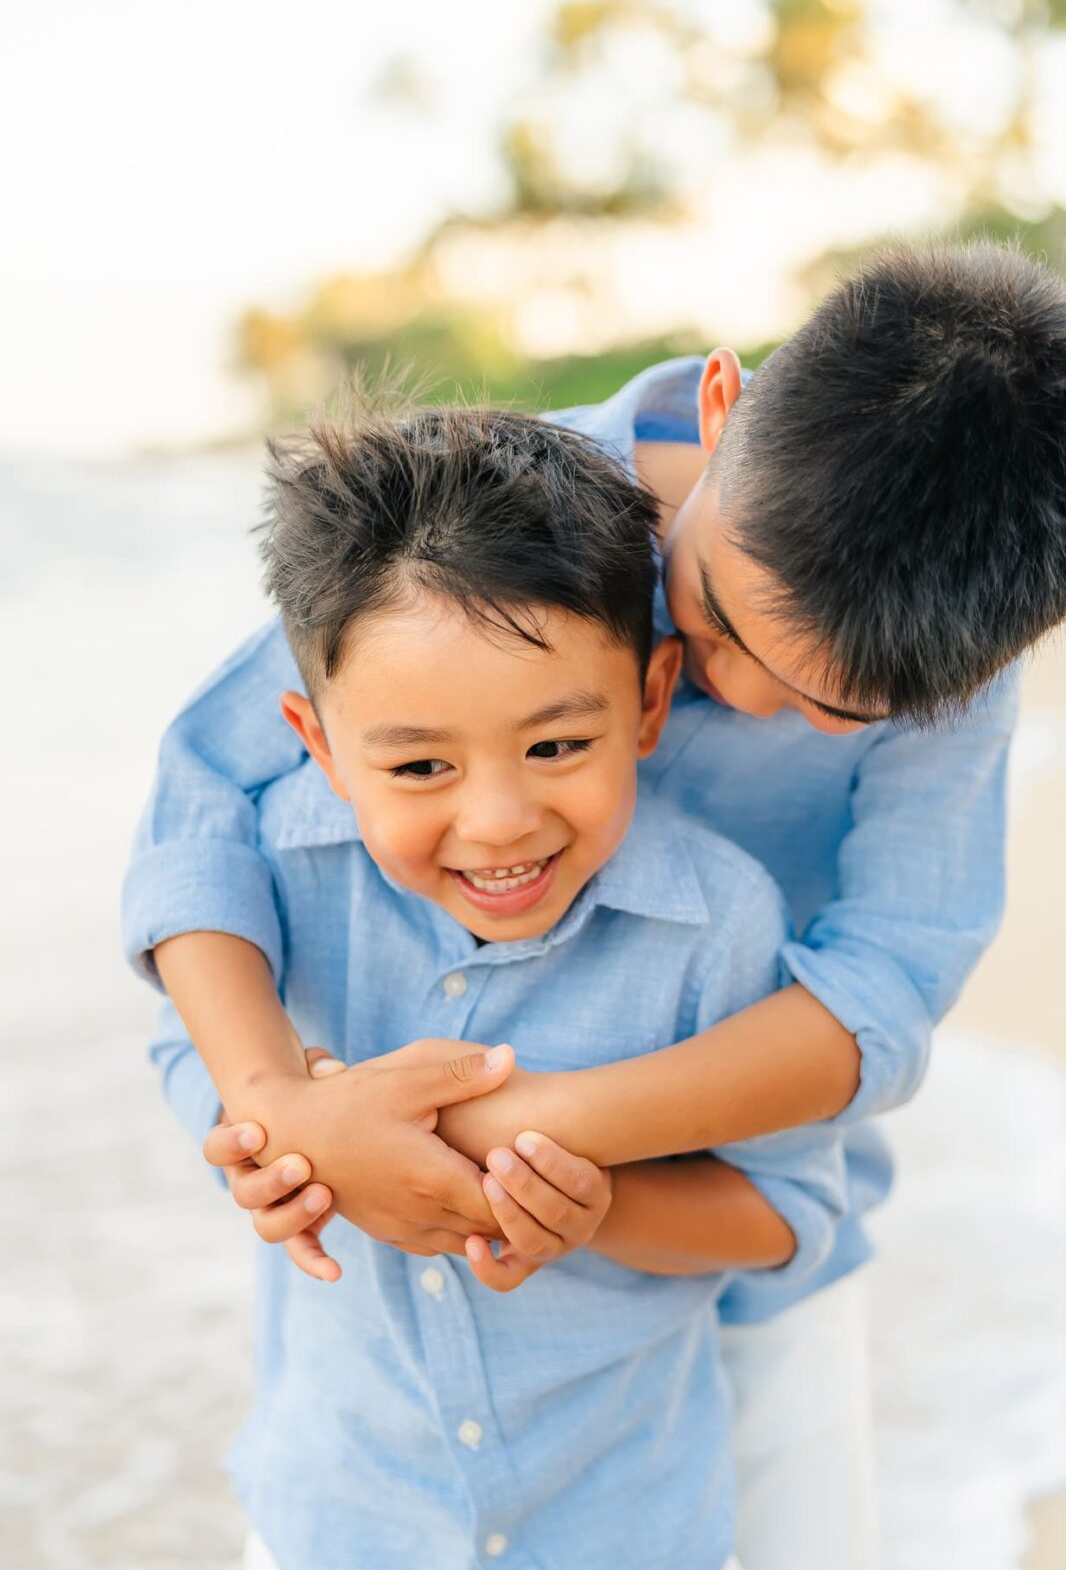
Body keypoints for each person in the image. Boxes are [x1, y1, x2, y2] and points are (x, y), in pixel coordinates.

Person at [124, 241, 1066, 1568]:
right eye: (717, 625)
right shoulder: (491, 527)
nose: (732, 699)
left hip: (742, 1224)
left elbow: (887, 987)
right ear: (724, 405)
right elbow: (204, 804)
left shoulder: (945, 657)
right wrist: (282, 1107)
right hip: (412, 1298)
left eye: (826, 711)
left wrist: (520, 1137)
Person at [144, 400, 846, 1570]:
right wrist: (271, 1132)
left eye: (557, 746)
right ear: (317, 746)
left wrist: (597, 1209)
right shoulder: (280, 874)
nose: (499, 819)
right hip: (340, 1515)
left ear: (650, 701)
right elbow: (189, 1046)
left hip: (625, 1526)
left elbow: (787, 1214)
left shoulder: (718, 924)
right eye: (419, 765)